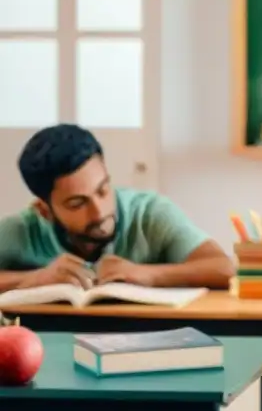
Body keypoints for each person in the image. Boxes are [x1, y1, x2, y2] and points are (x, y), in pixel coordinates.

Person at [0, 123, 234, 293]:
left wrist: (147, 275)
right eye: (77, 203)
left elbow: (224, 269)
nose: (99, 212)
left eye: (102, 190)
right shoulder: (21, 229)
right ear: (44, 210)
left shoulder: (149, 213)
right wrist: (35, 279)